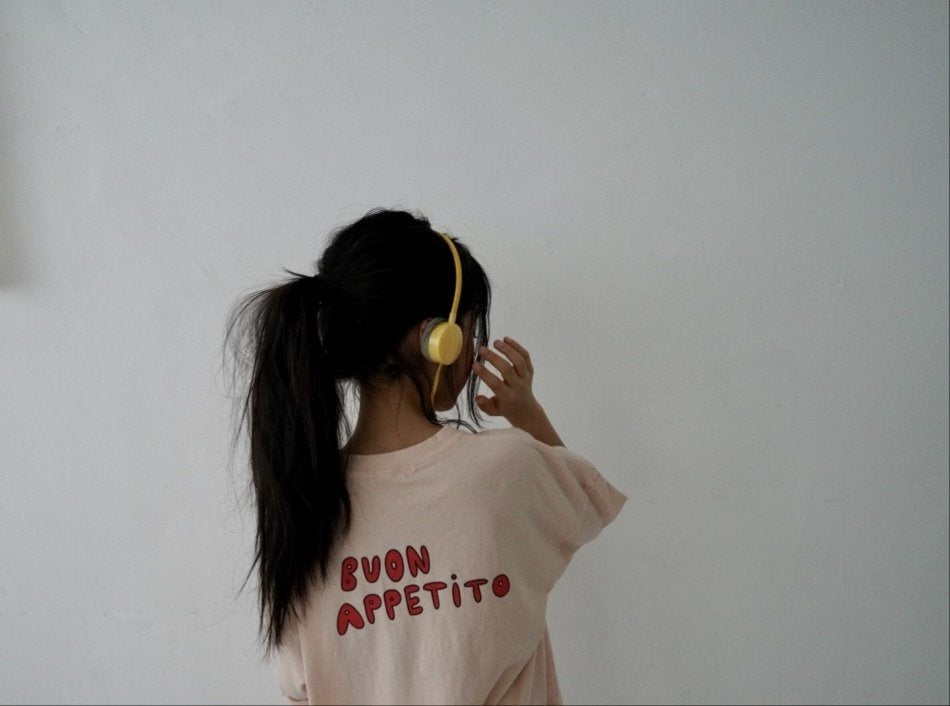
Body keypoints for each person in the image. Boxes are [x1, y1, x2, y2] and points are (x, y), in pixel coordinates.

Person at [221, 207, 628, 705]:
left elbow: (298, 685)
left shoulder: (303, 501)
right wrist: (528, 414)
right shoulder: (509, 467)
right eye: (469, 330)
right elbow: (582, 508)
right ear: (436, 339)